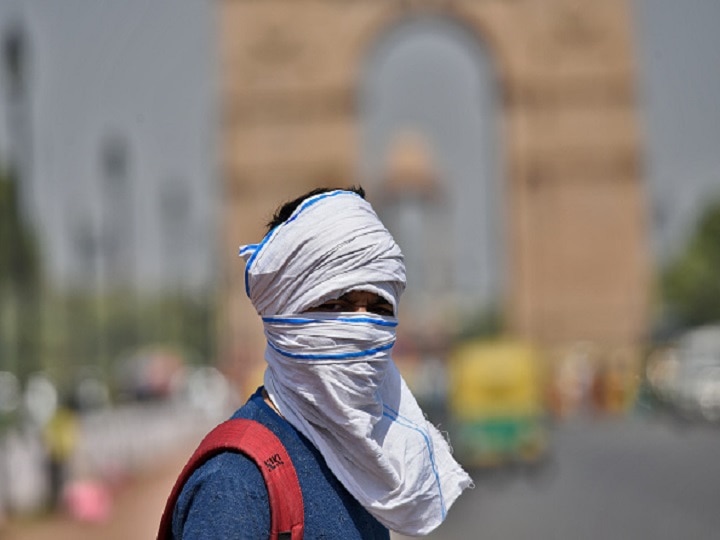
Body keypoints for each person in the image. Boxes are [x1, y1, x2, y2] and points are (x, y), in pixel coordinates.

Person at [168, 186, 472, 538]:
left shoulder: (362, 465)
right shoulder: (237, 484)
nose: (362, 327)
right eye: (335, 306)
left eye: (379, 308)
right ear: (284, 314)